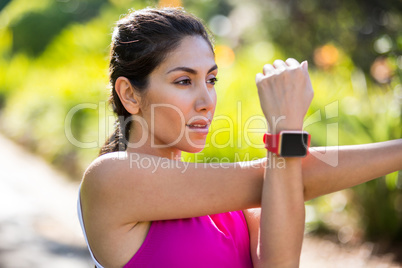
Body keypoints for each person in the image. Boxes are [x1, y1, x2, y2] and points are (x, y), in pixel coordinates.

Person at [77, 7, 402, 268]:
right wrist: (284, 129)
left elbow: (281, 259)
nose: (206, 101)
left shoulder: (233, 206)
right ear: (130, 95)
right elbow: (289, 176)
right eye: (183, 81)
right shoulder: (110, 180)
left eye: (212, 79)